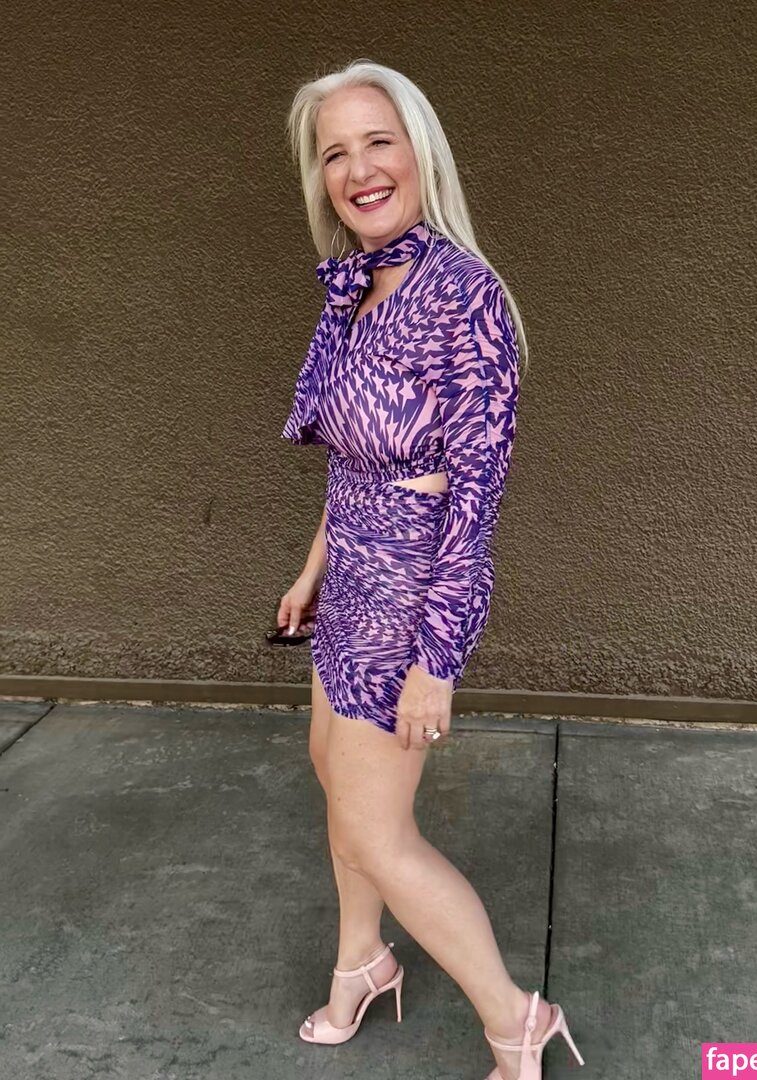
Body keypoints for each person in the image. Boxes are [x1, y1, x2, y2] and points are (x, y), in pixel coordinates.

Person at [276, 59, 584, 1079]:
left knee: (378, 831)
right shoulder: (357, 285)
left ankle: (517, 1019)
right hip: (349, 585)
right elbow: (354, 461)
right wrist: (314, 567)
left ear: (420, 151)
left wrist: (436, 661)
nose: (358, 169)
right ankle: (360, 963)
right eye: (335, 153)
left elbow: (473, 500)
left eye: (379, 141)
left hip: (410, 599)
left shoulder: (465, 296)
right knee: (337, 784)